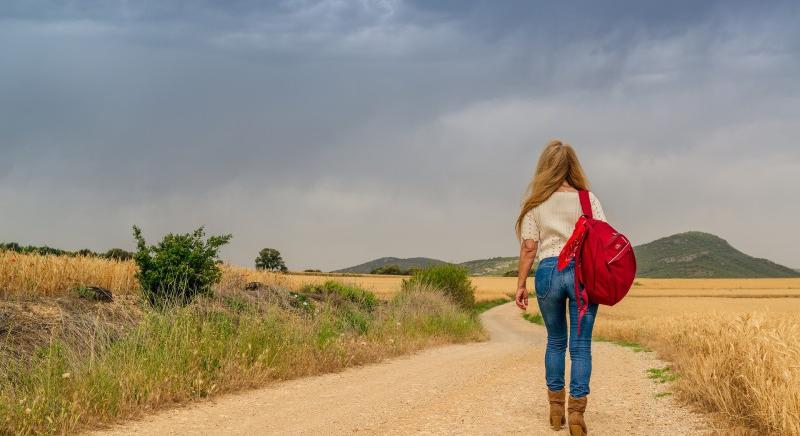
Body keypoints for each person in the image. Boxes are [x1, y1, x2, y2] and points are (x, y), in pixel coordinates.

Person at [514, 139, 606, 436]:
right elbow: (602, 238)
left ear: (545, 168)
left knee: (555, 341)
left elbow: (529, 248)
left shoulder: (537, 203)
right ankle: (576, 415)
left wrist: (521, 285)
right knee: (580, 346)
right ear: (573, 166)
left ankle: (556, 411)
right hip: (581, 275)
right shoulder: (587, 199)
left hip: (549, 272)